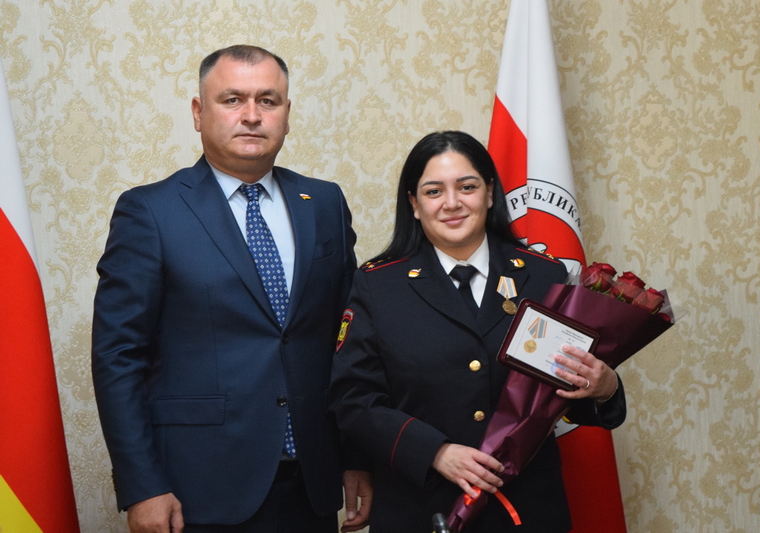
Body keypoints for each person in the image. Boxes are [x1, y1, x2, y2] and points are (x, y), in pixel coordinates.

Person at [92, 45, 371, 533]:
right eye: (232, 99)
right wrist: (142, 485)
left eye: (268, 100)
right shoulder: (150, 212)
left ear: (287, 114)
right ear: (199, 113)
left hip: (312, 482)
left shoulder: (323, 202)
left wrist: (356, 456)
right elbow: (118, 356)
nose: (252, 115)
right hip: (199, 487)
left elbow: (347, 344)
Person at [328, 131, 626, 533]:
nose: (452, 203)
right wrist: (435, 452)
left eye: (467, 187)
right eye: (434, 191)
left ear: (489, 193)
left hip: (525, 510)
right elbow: (353, 400)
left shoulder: (544, 275)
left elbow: (562, 391)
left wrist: (605, 388)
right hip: (422, 507)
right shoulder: (378, 286)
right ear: (414, 204)